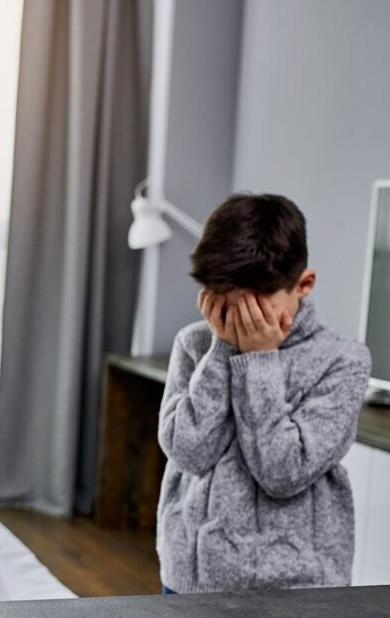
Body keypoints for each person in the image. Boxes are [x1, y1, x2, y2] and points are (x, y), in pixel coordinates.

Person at [157, 193, 370, 593]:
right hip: (191, 581)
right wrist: (223, 351)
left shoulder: (342, 361)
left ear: (303, 285)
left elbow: (283, 473)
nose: (242, 319)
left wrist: (258, 361)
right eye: (226, 303)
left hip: (294, 589)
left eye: (258, 304)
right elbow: (188, 453)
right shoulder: (194, 344)